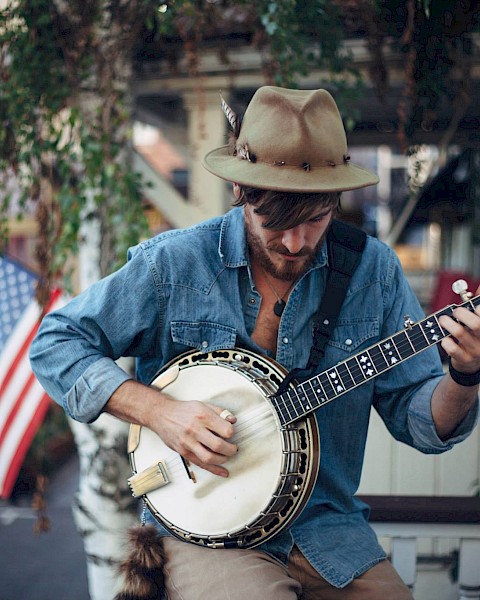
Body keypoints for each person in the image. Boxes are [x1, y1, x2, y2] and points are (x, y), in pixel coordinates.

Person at [29, 86, 480, 600]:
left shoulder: (372, 272)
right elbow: (55, 341)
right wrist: (157, 411)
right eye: (276, 222)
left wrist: (465, 375)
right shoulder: (174, 265)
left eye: (315, 221)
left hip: (326, 530)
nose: (294, 244)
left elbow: (421, 422)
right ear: (242, 194)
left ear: (336, 201)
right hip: (202, 526)